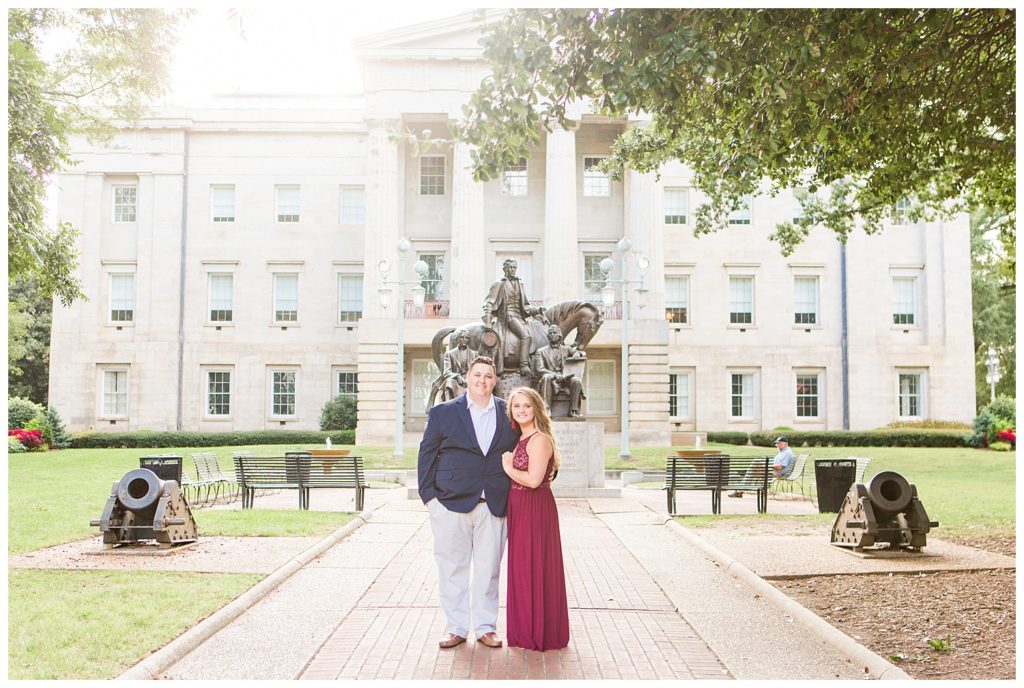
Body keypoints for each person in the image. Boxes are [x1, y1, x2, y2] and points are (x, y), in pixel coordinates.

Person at [417, 356, 519, 649]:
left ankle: (486, 627)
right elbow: (427, 455)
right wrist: (430, 499)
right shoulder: (443, 413)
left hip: (494, 504)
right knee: (452, 567)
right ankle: (456, 627)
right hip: (450, 504)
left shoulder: (508, 412)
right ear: (467, 377)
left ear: (495, 380)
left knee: (489, 570)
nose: (482, 381)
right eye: (477, 375)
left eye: (488, 376)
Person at [500, 387, 570, 651]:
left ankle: (539, 632)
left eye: (526, 405)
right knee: (522, 568)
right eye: (516, 406)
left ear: (536, 408)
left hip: (534, 508)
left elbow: (533, 480)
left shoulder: (539, 439)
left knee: (535, 566)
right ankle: (524, 629)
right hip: (519, 507)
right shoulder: (522, 438)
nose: (521, 410)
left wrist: (507, 468)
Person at [483, 258, 543, 376]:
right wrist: (488, 321)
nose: (513, 270)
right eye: (510, 267)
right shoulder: (499, 284)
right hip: (508, 317)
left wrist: (538, 310)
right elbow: (489, 302)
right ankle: (524, 365)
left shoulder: (520, 283)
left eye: (514, 267)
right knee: (526, 336)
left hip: (520, 317)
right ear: (505, 269)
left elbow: (526, 305)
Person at [531, 324, 585, 417]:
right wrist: (555, 375)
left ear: (560, 336)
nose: (552, 334)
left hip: (565, 379)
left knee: (576, 381)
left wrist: (577, 354)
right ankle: (546, 409)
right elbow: (540, 369)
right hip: (550, 379)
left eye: (554, 333)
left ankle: (573, 410)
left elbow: (580, 352)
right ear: (548, 337)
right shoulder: (541, 351)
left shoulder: (567, 349)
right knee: (546, 377)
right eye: (550, 333)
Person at [728, 435, 796, 498]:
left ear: (786, 444)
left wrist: (768, 466)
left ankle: (739, 490)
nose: (777, 445)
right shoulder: (784, 452)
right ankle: (739, 491)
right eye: (777, 443)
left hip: (778, 473)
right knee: (752, 471)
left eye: (780, 443)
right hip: (776, 472)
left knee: (756, 463)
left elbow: (780, 467)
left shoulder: (786, 453)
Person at [440, 330, 478, 401]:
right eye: (461, 337)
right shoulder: (449, 354)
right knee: (449, 382)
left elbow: (477, 371)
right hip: (456, 381)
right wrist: (456, 376)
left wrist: (469, 379)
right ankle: (449, 408)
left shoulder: (475, 354)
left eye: (466, 338)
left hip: (470, 381)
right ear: (457, 339)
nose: (464, 340)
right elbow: (446, 372)